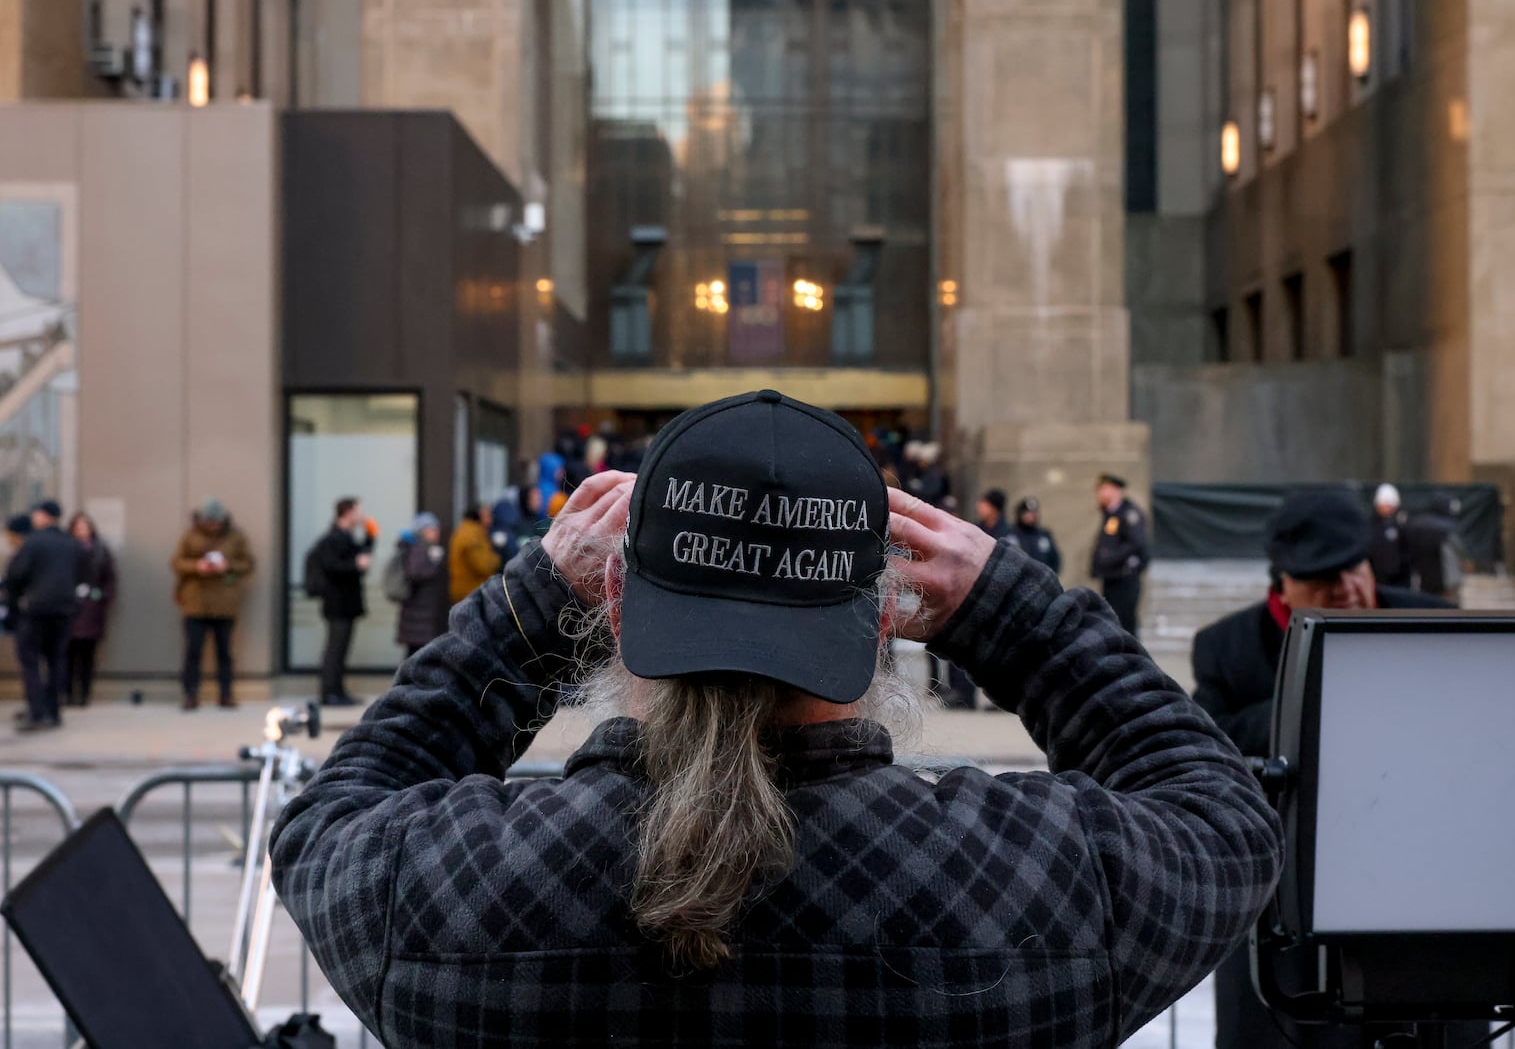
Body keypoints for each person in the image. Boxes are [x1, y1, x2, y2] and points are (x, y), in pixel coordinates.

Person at [271, 390, 1282, 1047]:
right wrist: (1012, 612)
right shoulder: (1032, 881)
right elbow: (1222, 819)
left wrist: (527, 605)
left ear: (616, 600)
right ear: (882, 613)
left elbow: (330, 817)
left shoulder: (452, 890)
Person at [1192, 488, 1479, 1049]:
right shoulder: (1226, 649)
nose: (1346, 589)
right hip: (1285, 923)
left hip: (1424, 910)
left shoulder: (1437, 626)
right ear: (1283, 583)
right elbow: (1213, 752)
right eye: (1324, 578)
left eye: (1354, 568)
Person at [172, 498, 256, 710]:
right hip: (195, 604)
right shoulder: (190, 536)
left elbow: (248, 563)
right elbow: (177, 562)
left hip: (224, 605)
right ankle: (190, 694)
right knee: (193, 651)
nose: (212, 526)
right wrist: (197, 566)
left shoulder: (235, 537)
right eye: (208, 521)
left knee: (224, 652)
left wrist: (227, 566)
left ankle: (226, 694)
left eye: (215, 522)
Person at [8, 501, 80, 732]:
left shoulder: (34, 542)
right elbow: (83, 574)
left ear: (44, 516)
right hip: (64, 610)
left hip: (35, 609)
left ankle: (36, 712)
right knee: (57, 660)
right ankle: (54, 711)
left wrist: (15, 601)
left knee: (30, 661)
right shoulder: (71, 543)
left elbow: (15, 575)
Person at [307, 498, 374, 707]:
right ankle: (329, 692)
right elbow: (334, 566)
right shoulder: (333, 538)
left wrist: (371, 537)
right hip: (337, 602)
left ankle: (338, 691)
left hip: (346, 602)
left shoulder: (345, 537)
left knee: (341, 649)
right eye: (358, 511)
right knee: (335, 649)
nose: (361, 515)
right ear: (347, 512)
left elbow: (358, 556)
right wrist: (355, 565)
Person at [65, 511, 117, 707]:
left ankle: (84, 695)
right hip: (69, 608)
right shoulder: (65, 549)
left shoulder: (100, 550)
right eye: (78, 527)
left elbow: (109, 578)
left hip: (92, 610)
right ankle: (68, 694)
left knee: (87, 656)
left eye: (85, 527)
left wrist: (101, 597)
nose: (81, 531)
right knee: (68, 655)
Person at [1090, 473, 1149, 638]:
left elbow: (1136, 543)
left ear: (1114, 490)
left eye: (1103, 489)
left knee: (1125, 624)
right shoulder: (1111, 515)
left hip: (1125, 579)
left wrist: (1109, 557)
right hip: (1112, 578)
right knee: (1112, 623)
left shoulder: (1129, 513)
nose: (1099, 494)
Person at [395, 513, 448, 657]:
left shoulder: (422, 547)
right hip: (418, 609)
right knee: (416, 653)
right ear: (424, 531)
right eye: (434, 529)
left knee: (416, 653)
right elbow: (415, 573)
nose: (437, 532)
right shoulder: (419, 548)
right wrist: (434, 564)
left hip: (420, 610)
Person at [1406, 494, 1466, 604]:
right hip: (1447, 582)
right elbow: (1459, 550)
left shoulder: (1417, 524)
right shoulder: (1448, 528)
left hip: (1423, 580)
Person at [449, 504, 502, 605]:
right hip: (471, 592)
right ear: (478, 516)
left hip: (467, 592)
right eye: (487, 516)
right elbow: (483, 566)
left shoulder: (466, 530)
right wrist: (497, 558)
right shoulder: (473, 535)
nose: (490, 520)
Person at [1368, 483, 1411, 589]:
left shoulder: (1401, 526)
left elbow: (1406, 552)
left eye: (1389, 505)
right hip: (1378, 578)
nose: (1387, 509)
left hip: (1398, 580)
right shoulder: (1371, 526)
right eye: (1384, 505)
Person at [1007, 496, 1062, 575]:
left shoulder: (1044, 535)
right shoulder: (1010, 536)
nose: (1032, 516)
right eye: (1028, 513)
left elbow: (1055, 560)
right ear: (1020, 514)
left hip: (1042, 583)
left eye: (1034, 512)